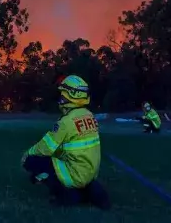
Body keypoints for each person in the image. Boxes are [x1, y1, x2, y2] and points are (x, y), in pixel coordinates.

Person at [21, 75, 111, 210]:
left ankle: (67, 195)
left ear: (69, 96)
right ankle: (92, 193)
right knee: (84, 183)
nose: (60, 98)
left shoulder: (66, 121)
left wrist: (27, 154)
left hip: (74, 174)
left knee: (33, 161)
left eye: (62, 94)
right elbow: (69, 146)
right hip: (89, 173)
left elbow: (45, 148)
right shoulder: (89, 115)